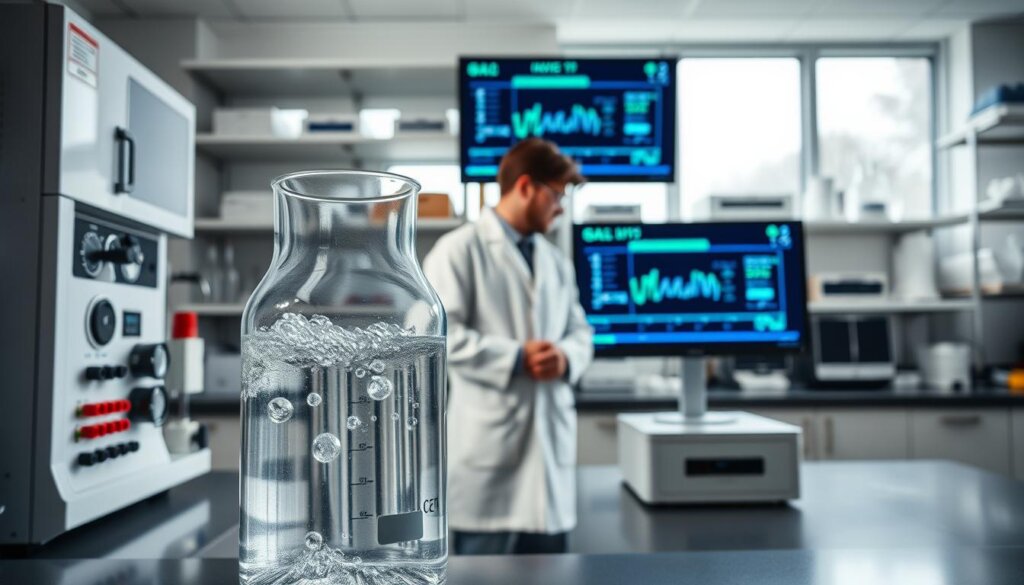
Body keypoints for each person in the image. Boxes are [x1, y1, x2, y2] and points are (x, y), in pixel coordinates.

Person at [423, 138, 594, 555]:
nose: (560, 206)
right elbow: (433, 337)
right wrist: (515, 358)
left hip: (548, 461)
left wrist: (566, 357)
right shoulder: (458, 250)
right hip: (487, 462)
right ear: (525, 187)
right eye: (555, 194)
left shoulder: (555, 261)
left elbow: (580, 331)